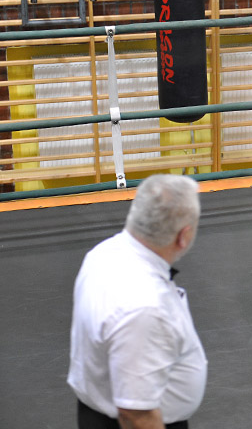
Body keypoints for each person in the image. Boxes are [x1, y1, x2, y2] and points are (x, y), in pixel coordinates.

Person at [67, 174, 206, 429]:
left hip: (97, 411)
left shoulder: (103, 253)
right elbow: (136, 414)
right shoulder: (145, 308)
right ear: (183, 236)